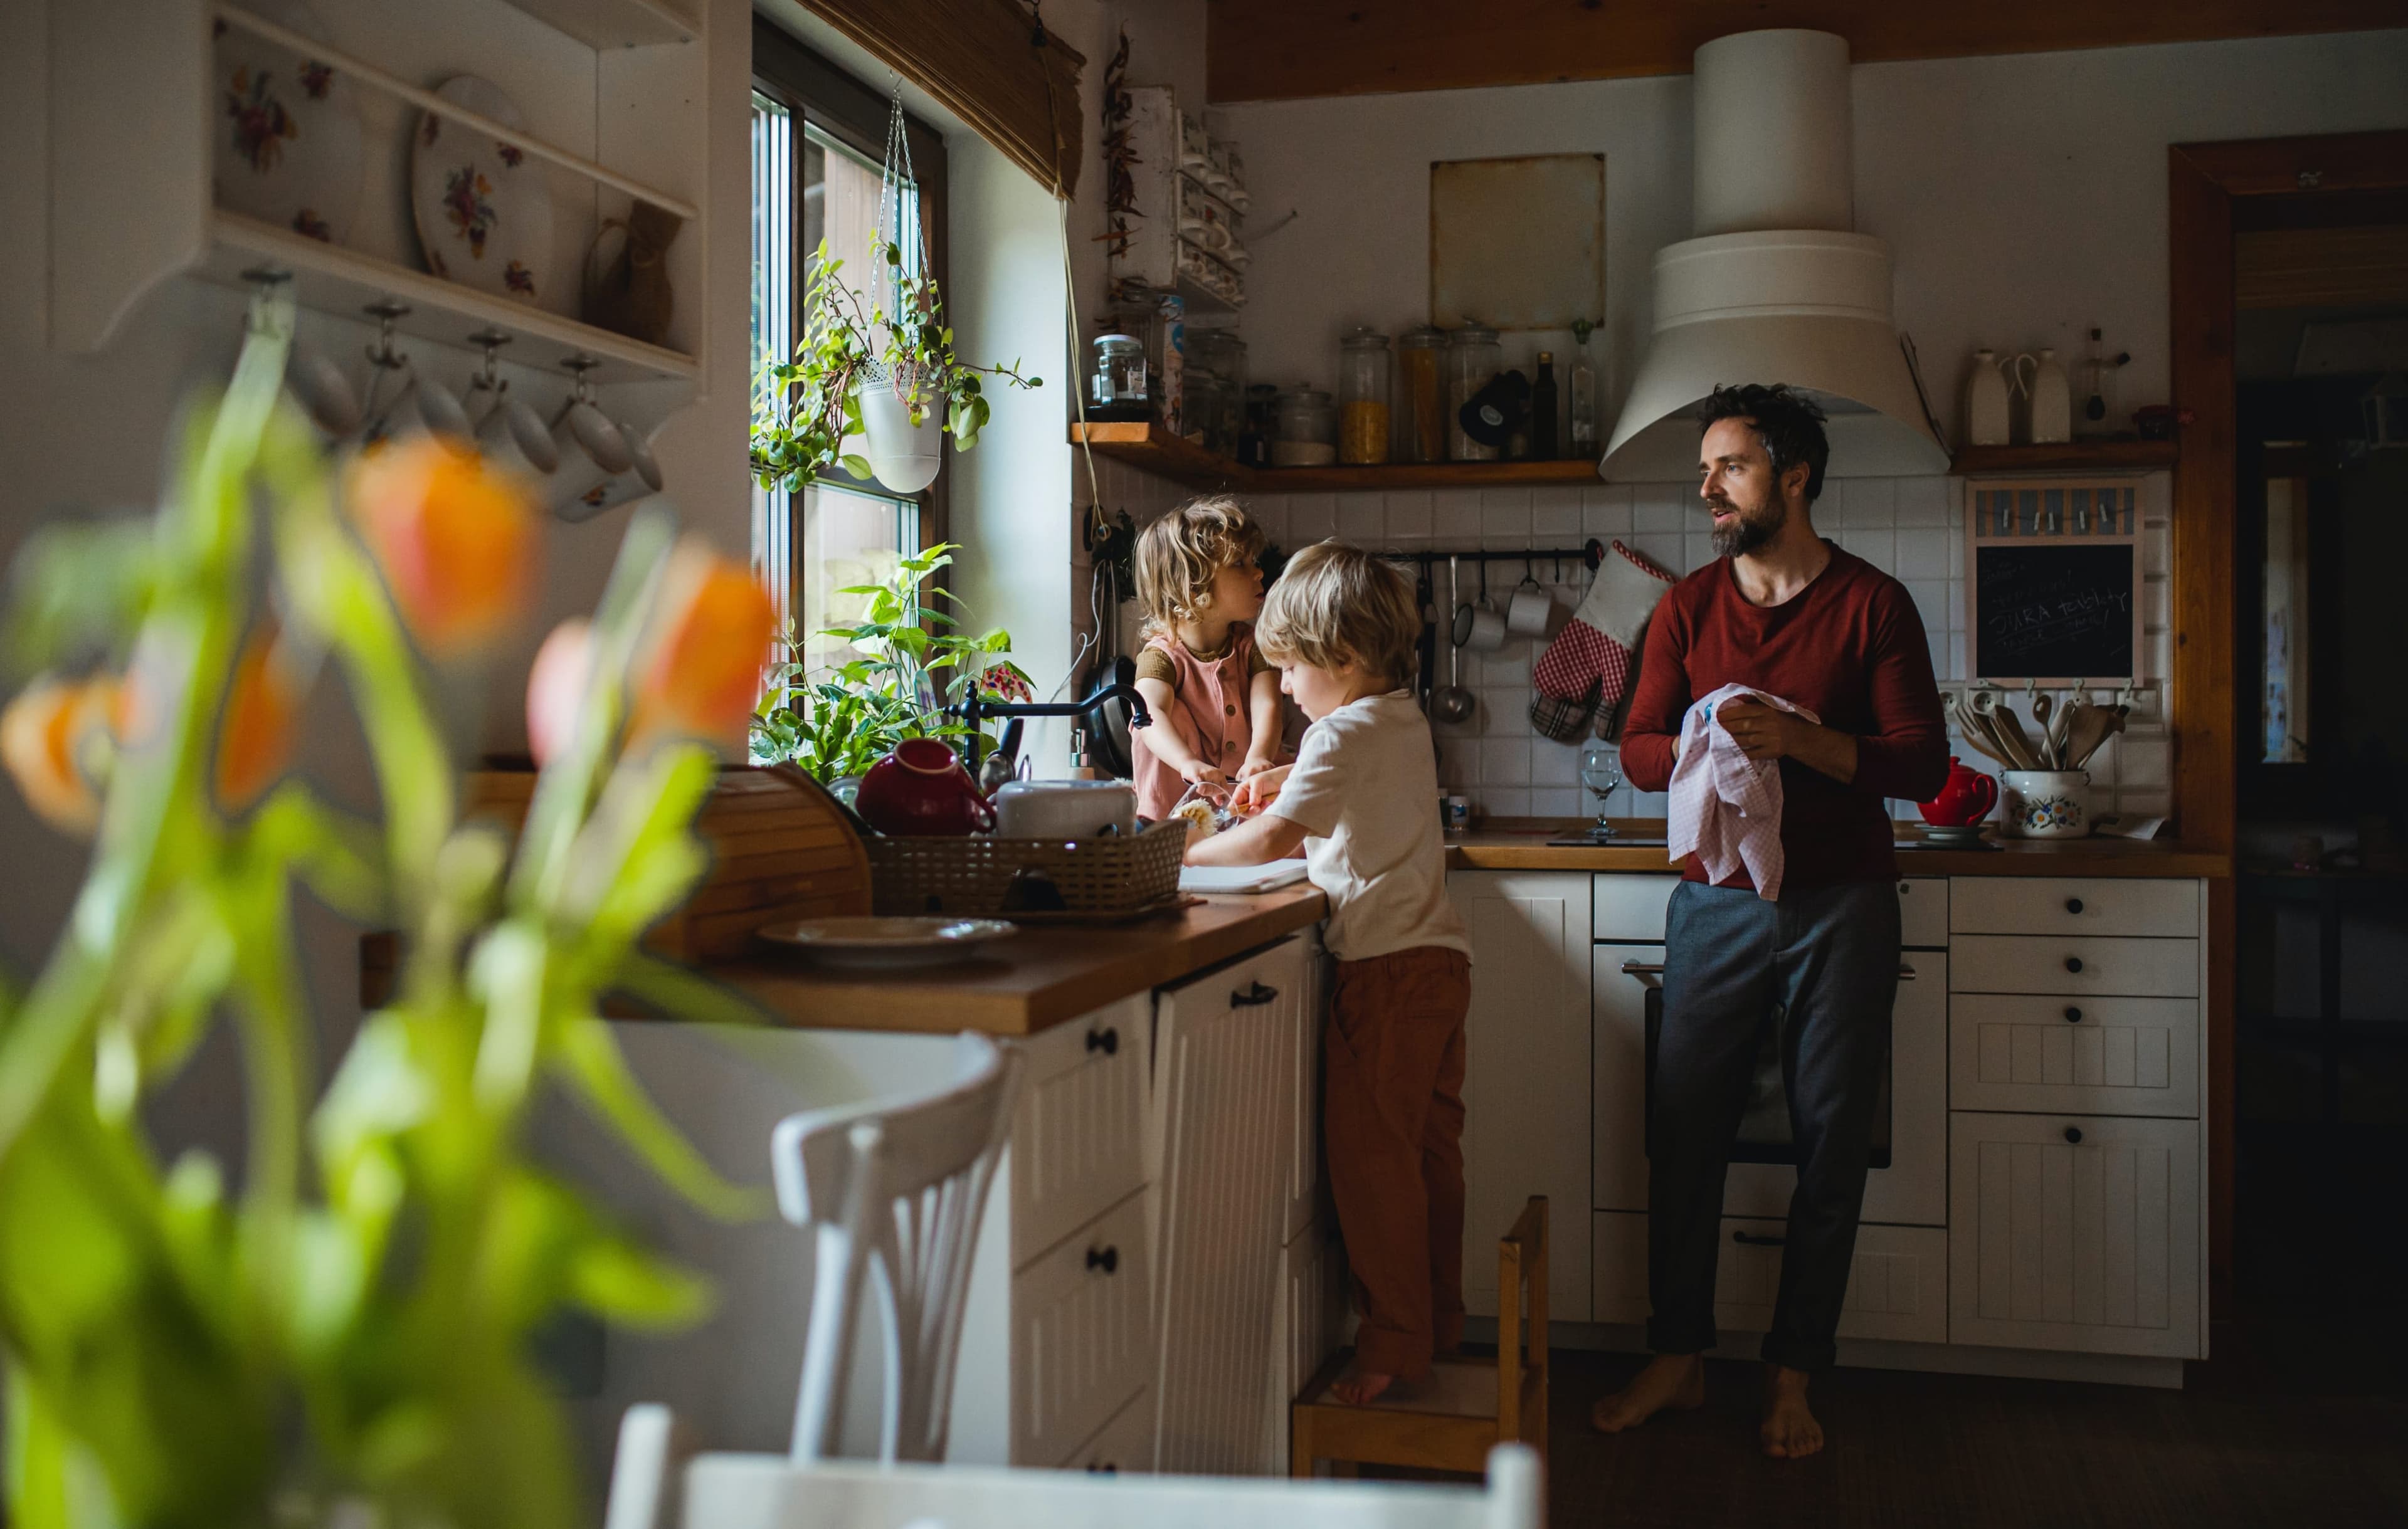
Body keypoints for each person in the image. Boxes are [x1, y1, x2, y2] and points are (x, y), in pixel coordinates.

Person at [1593, 384, 1948, 1459]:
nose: (1706, 486)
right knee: (1687, 1127)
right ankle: (1679, 1354)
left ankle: (1794, 1370)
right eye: (1705, 468)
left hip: (1843, 902)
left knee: (1831, 1139)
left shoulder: (1874, 605)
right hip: (1718, 902)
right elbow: (1640, 744)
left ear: (1794, 476)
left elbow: (1922, 763)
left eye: (1730, 465)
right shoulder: (1689, 607)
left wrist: (1800, 740)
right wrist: (1706, 727)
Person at [1186, 541, 1472, 1406]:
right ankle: (1436, 1319)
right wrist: (1288, 779)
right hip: (1440, 965)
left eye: (1294, 671)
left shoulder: (1343, 730)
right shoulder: (1400, 716)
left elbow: (1275, 841)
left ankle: (1389, 1344)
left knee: (1370, 1161)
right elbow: (1343, 800)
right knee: (1426, 1155)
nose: (1291, 690)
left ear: (1342, 660)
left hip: (1385, 976)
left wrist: (1180, 858)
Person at [1127, 496, 1286, 821]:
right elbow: (1149, 714)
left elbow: (1268, 705)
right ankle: (1160, 831)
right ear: (1193, 584)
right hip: (1182, 793)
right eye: (1240, 564)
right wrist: (1188, 762)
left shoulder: (1253, 645)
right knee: (1165, 713)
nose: (1258, 573)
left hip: (1244, 786)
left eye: (1254, 561)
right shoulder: (1162, 656)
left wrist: (1259, 757)